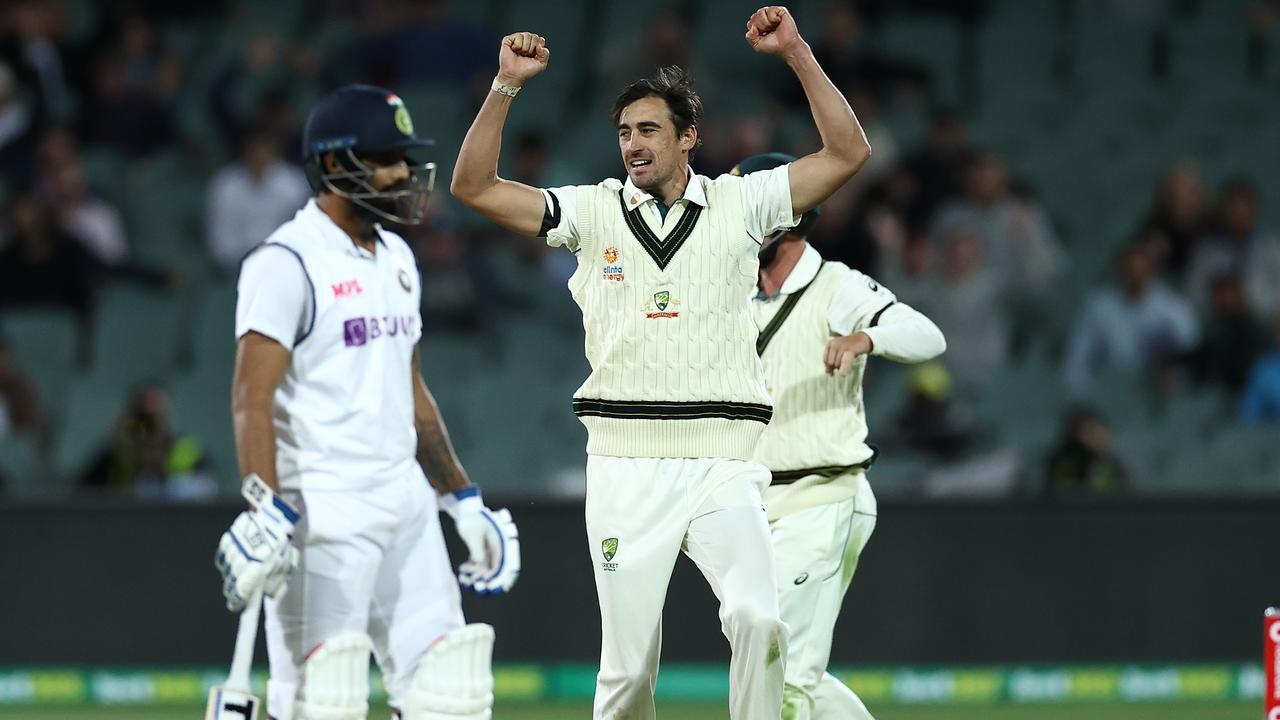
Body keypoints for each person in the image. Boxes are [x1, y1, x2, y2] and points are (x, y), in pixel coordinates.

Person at [450, 8, 872, 719]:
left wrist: (797, 51)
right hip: (624, 464)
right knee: (626, 674)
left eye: (649, 130)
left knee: (760, 622)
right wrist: (505, 85)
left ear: (689, 138)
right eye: (624, 132)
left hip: (722, 462)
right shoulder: (592, 212)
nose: (633, 145)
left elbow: (847, 155)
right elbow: (474, 188)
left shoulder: (742, 203)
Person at [214, 84, 520, 720]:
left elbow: (410, 389)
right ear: (332, 165)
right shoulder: (285, 262)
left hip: (405, 506)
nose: (403, 172)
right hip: (323, 513)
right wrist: (264, 507)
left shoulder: (399, 259)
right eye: (384, 157)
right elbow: (251, 397)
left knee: (452, 695)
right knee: (323, 703)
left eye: (403, 156)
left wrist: (460, 498)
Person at [739, 152, 945, 720]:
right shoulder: (736, 292)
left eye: (747, 202)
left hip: (821, 496)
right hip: (757, 506)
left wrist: (865, 340)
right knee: (779, 666)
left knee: (779, 677)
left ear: (784, 215)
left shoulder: (836, 286)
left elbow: (926, 335)